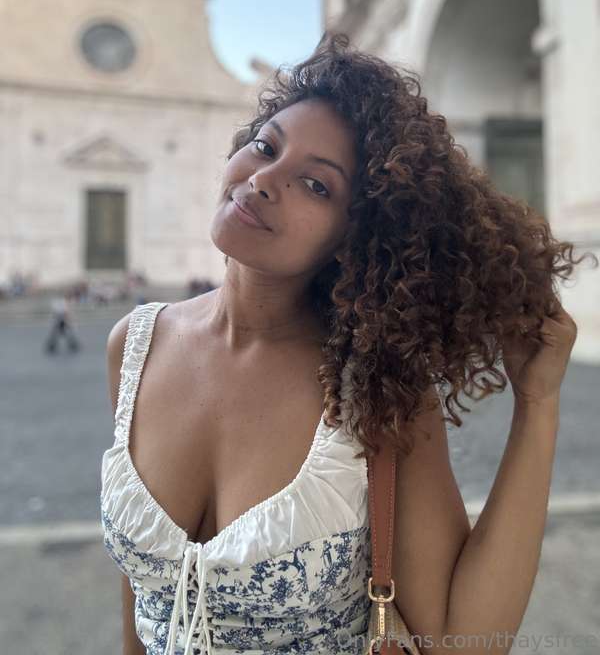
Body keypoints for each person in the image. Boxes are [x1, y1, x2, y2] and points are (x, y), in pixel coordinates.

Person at [100, 32, 593, 655]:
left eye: (316, 185)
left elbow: (461, 641)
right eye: (265, 146)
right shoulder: (135, 344)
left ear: (358, 234)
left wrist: (538, 405)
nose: (264, 179)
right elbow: (142, 597)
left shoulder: (376, 385)